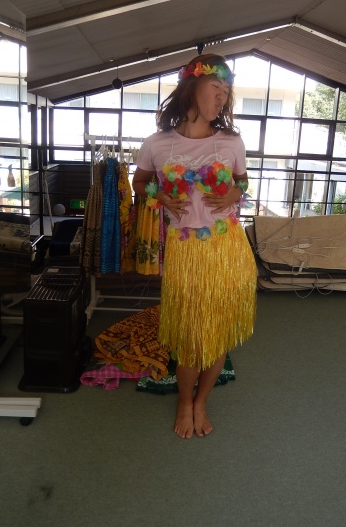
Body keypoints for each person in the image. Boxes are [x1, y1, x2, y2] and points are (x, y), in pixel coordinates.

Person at [132, 53, 257, 438]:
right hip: (186, 252)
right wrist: (159, 196)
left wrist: (235, 191)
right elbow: (139, 184)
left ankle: (201, 401)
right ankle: (184, 402)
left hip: (227, 249)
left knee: (215, 336)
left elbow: (243, 182)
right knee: (190, 337)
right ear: (192, 85)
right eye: (215, 87)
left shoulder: (231, 142)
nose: (221, 98)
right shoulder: (157, 144)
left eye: (226, 92)